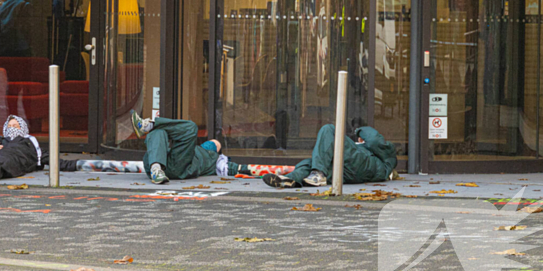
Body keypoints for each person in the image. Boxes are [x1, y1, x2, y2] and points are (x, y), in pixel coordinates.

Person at [129, 111, 267, 183]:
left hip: (177, 166)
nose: (213, 144)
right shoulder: (208, 157)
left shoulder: (213, 159)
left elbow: (237, 169)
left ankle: (150, 125)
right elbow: (239, 169)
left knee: (190, 128)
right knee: (159, 133)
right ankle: (156, 168)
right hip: (163, 161)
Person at [262, 123, 398, 188]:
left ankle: (318, 173)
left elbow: (373, 138)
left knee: (329, 129)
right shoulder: (364, 151)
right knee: (309, 163)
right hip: (349, 174)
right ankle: (289, 179)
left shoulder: (385, 154)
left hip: (362, 164)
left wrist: (358, 131)